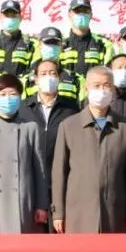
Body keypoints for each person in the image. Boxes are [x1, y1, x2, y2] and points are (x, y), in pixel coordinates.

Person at [51, 66, 126, 234]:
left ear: (113, 90)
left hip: (115, 212)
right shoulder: (68, 126)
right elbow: (59, 173)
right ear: (86, 89)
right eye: (96, 86)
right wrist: (58, 213)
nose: (102, 91)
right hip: (78, 213)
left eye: (107, 86)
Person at [0, 74, 48, 234]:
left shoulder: (31, 128)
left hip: (24, 204)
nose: (8, 99)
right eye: (3, 94)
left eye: (13, 94)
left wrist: (41, 205)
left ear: (20, 97)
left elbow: (40, 172)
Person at [19, 59, 80, 228]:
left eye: (53, 73)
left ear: (59, 77)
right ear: (35, 79)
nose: (48, 78)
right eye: (43, 74)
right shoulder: (23, 108)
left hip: (61, 182)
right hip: (31, 182)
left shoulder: (71, 108)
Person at [22, 27, 83, 106]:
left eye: (55, 43)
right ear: (40, 45)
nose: (51, 47)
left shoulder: (75, 79)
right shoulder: (27, 80)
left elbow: (83, 108)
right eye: (47, 43)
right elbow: (23, 109)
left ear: (61, 46)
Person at [56, 0, 112, 76]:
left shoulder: (104, 44)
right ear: (69, 15)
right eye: (77, 11)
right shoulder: (59, 43)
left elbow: (108, 74)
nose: (81, 14)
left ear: (91, 15)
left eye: (85, 11)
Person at [0, 0, 36, 79]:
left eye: (13, 16)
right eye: (7, 15)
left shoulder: (31, 44)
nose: (10, 18)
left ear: (20, 18)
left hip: (20, 86)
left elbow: (34, 71)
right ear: (0, 17)